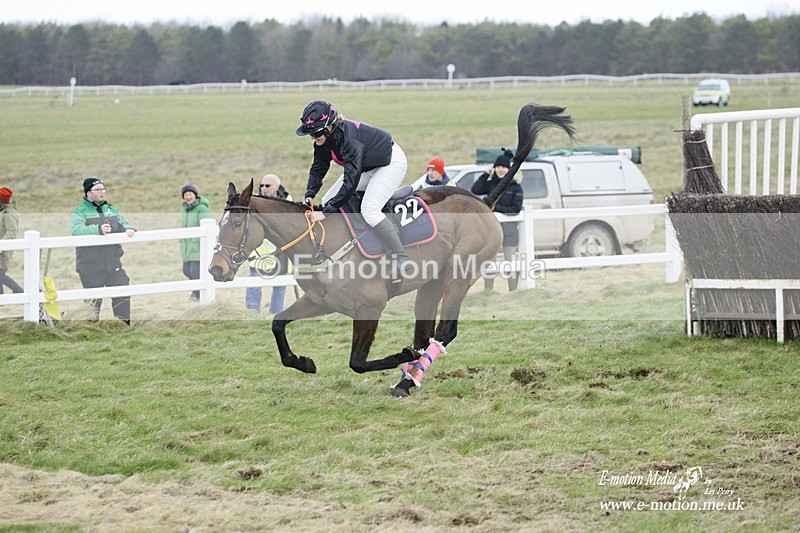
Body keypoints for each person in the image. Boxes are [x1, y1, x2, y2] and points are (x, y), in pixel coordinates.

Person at [296, 100, 414, 282]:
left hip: (390, 164)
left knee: (370, 210)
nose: (314, 138)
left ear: (330, 126)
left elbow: (350, 183)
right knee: (328, 200)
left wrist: (326, 213)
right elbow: (319, 167)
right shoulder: (325, 139)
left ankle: (402, 259)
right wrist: (310, 193)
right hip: (367, 167)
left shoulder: (349, 140)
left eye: (316, 133)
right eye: (310, 134)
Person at [70, 177, 136, 323]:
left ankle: (123, 328)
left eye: (103, 189)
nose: (101, 192)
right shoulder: (79, 211)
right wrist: (97, 229)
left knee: (123, 292)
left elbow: (123, 223)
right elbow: (76, 231)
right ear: (88, 193)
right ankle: (91, 331)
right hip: (90, 266)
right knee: (93, 303)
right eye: (97, 189)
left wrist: (129, 228)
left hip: (113, 264)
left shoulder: (110, 209)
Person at [471, 152, 523, 292]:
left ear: (509, 169)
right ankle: (489, 291)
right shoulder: (490, 183)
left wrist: (494, 208)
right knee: (489, 263)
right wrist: (485, 174)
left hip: (509, 232)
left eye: (503, 167)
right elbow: (475, 190)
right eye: (497, 167)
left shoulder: (515, 187)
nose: (500, 170)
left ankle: (513, 291)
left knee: (510, 262)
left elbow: (515, 209)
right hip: (491, 233)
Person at [246, 173, 292, 314]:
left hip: (283, 253)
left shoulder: (287, 200)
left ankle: (275, 315)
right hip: (260, 253)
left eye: (267, 185)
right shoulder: (256, 201)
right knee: (254, 286)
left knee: (279, 289)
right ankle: (252, 315)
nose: (263, 188)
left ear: (277, 187)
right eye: (261, 186)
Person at [179, 183, 210, 301]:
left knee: (195, 272)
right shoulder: (185, 209)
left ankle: (196, 294)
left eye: (190, 194)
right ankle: (199, 291)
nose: (188, 197)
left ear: (195, 195)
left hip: (197, 246)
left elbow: (206, 224)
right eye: (185, 195)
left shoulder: (202, 208)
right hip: (187, 246)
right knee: (186, 270)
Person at [0, 187, 23, 294]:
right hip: (2, 248)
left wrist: (1, 246)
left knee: (0, 274)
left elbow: (11, 232)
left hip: (4, 250)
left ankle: (19, 291)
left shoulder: (9, 213)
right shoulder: (3, 211)